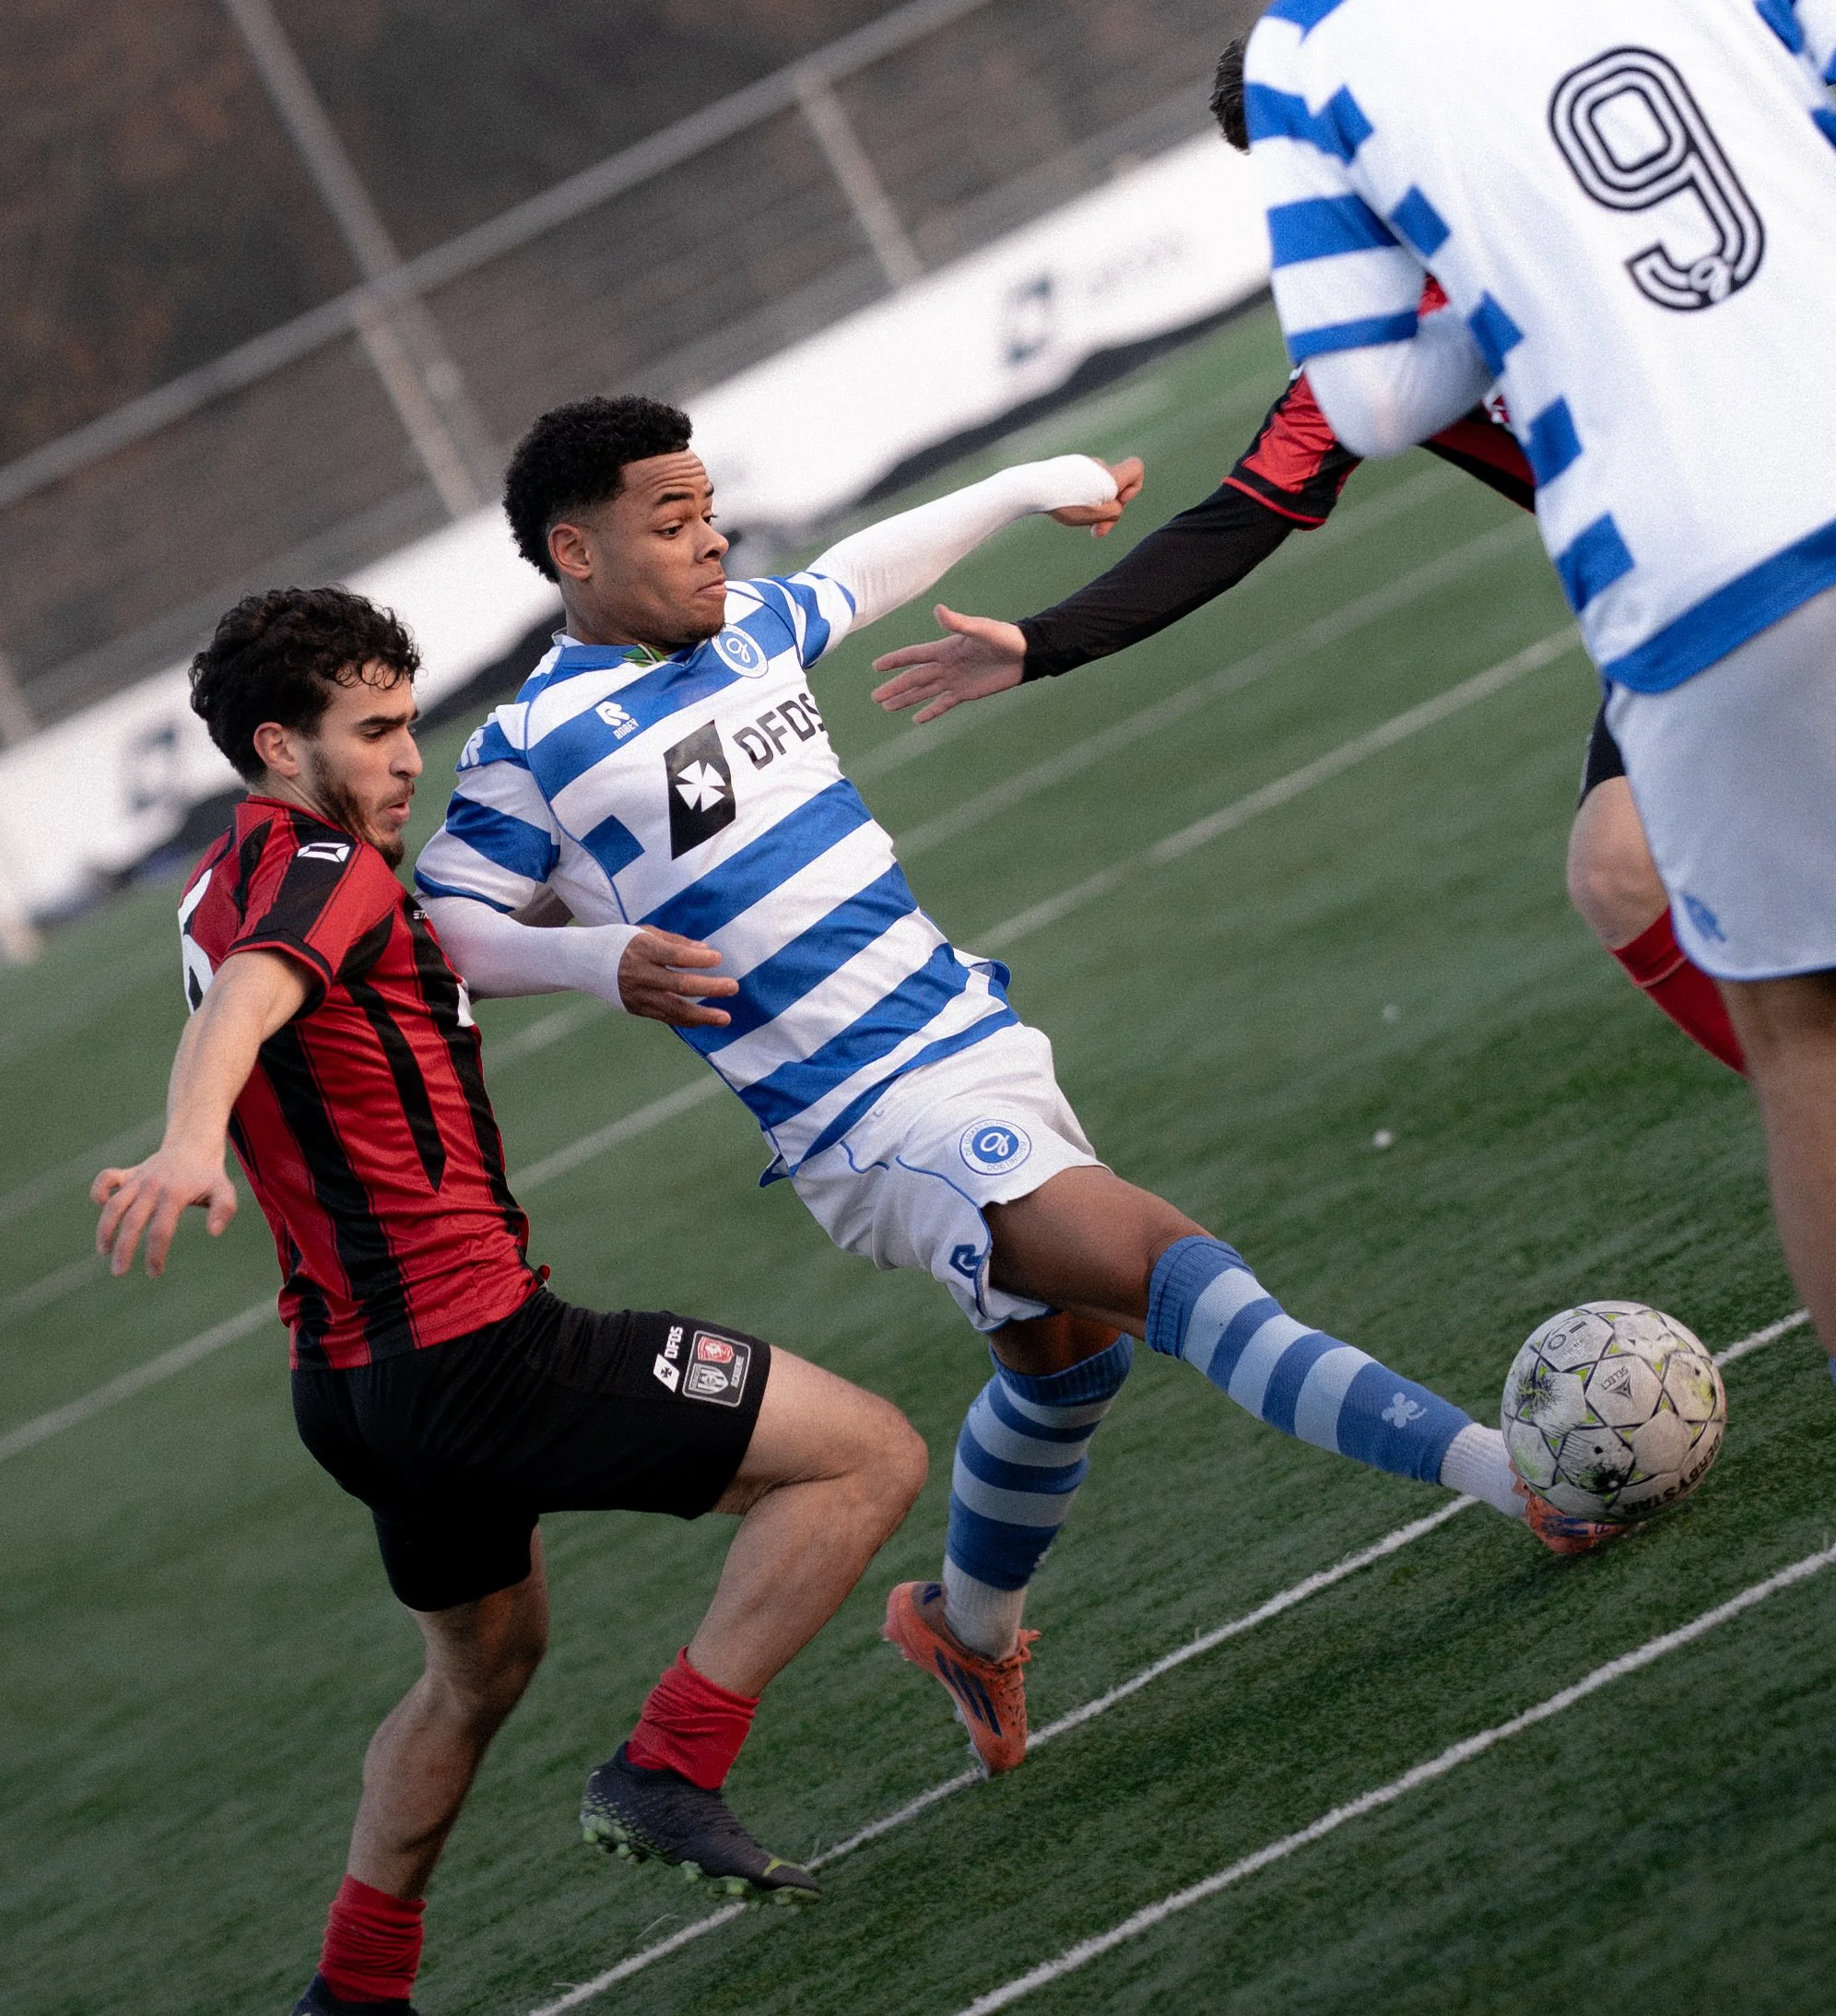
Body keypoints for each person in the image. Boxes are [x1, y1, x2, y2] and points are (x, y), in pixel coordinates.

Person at [415, 395, 1593, 1797]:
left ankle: (967, 1635)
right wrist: (593, 956)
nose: (712, 539)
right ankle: (1512, 1475)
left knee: (1068, 1362)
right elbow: (447, 928)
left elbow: (871, 561)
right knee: (1176, 1269)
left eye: (710, 508)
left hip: (975, 1038)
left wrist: (1039, 479)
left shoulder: (750, 629)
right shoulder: (533, 739)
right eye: (672, 524)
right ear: (576, 553)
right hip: (870, 1123)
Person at [91, 588, 928, 2016]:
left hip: (351, 1390)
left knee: (481, 1669)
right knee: (861, 1457)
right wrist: (187, 1144)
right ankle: (670, 1765)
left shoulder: (231, 875)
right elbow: (266, 998)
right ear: (280, 746)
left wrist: (580, 928)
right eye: (378, 730)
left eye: (413, 720)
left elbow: (306, 975)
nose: (411, 756)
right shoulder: (330, 872)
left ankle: (356, 1994)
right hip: (479, 1352)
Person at [867, 39, 1744, 1079]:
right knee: (1621, 873)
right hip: (1673, 597)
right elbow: (1239, 515)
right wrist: (1039, 642)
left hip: (1759, 539)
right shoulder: (1365, 343)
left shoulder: (1553, 173)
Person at [1242, 0, 1836, 1364]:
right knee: (1613, 865)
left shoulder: (1310, 47)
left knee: (1806, 1039)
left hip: (1695, 562)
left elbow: (1374, 402)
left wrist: (1534, 306)